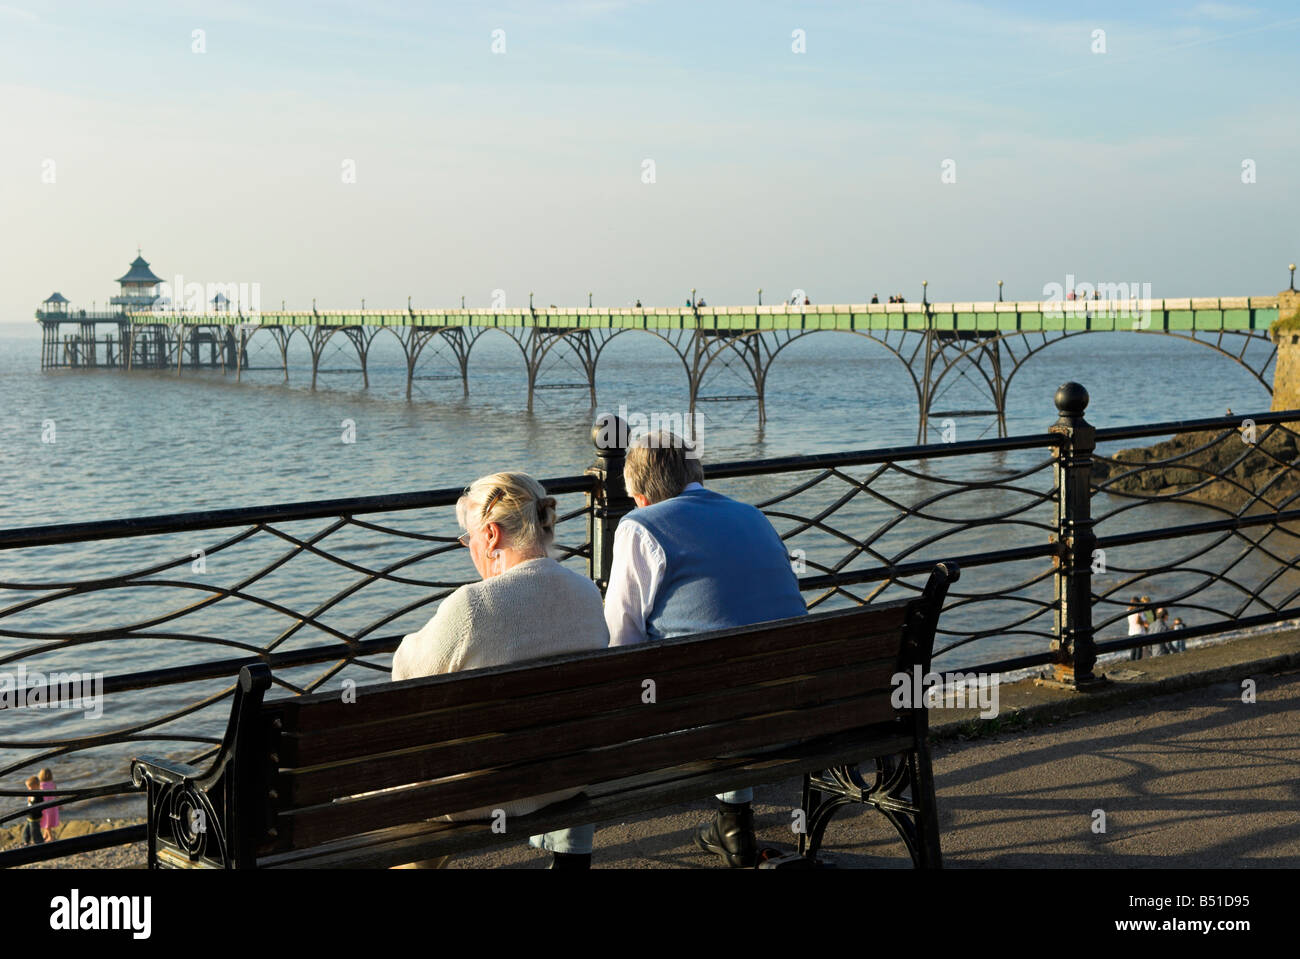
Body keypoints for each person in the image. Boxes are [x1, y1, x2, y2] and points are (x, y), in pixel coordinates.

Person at [605, 432, 807, 867]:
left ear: (640, 496)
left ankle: (564, 851)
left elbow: (621, 639)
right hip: (798, 710)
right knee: (726, 657)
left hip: (710, 722)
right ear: (697, 474)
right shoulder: (752, 514)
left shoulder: (639, 526)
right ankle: (733, 819)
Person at [392, 472, 608, 869]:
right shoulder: (587, 593)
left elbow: (405, 677)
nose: (469, 549)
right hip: (565, 777)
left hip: (483, 792)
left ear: (491, 535)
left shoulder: (472, 606)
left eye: (468, 538)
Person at [39, 767, 59, 841]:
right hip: (53, 806)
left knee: (46, 822)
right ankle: (45, 834)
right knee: (47, 822)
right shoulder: (53, 784)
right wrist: (60, 805)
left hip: (45, 807)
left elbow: (39, 797)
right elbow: (57, 795)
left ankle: (50, 837)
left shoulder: (40, 785)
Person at [23, 776, 44, 845]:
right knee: (27, 830)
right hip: (30, 817)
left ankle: (39, 843)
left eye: (30, 787)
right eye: (28, 787)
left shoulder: (38, 795)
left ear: (36, 786)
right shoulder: (32, 794)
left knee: (35, 832)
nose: (28, 789)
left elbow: (40, 806)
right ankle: (26, 841)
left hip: (35, 817)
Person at [1126, 596, 1147, 660]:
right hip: (1139, 632)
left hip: (1131, 632)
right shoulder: (1140, 612)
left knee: (1133, 650)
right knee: (1138, 651)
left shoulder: (1128, 611)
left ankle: (1132, 662)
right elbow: (1145, 622)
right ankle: (1137, 663)